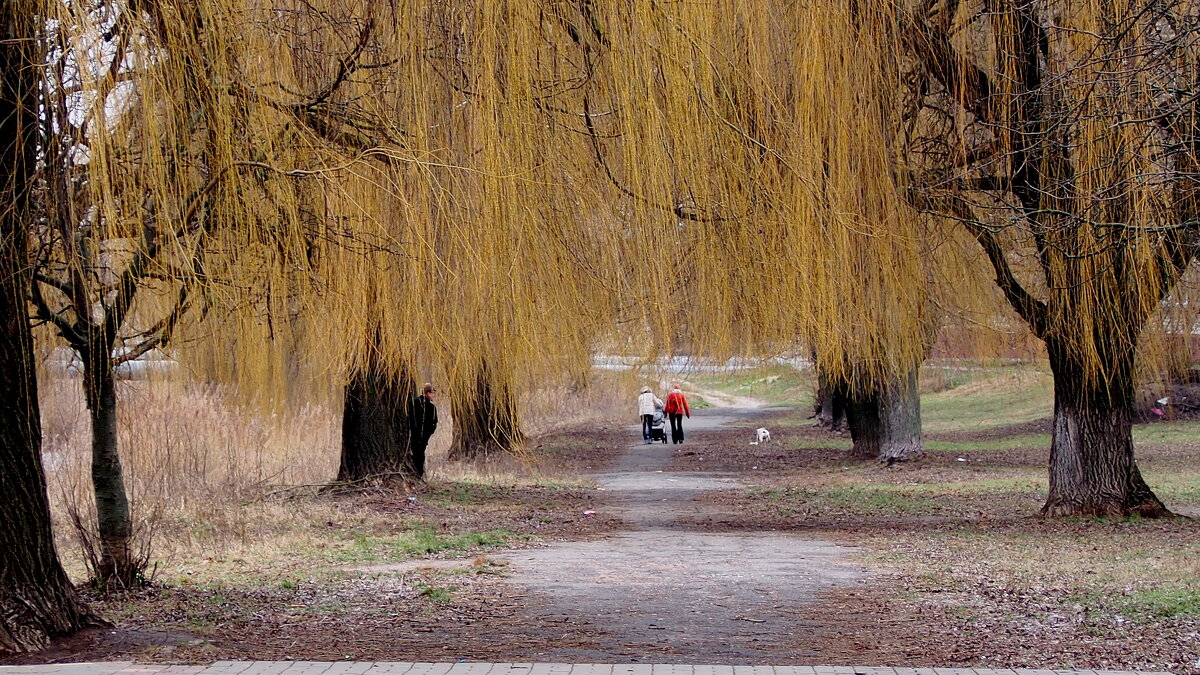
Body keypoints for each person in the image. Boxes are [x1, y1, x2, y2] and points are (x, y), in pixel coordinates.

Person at [409, 382, 438, 479]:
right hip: (423, 437)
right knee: (420, 455)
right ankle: (418, 475)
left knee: (416, 454)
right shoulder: (431, 407)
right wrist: (427, 435)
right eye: (433, 393)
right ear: (428, 393)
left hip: (413, 435)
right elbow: (434, 423)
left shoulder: (413, 402)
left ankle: (416, 474)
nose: (434, 395)